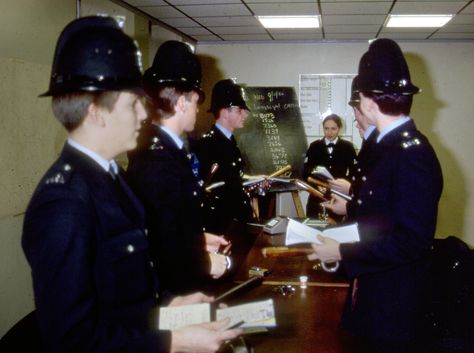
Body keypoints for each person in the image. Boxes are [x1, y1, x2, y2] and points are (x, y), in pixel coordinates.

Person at [21, 16, 241, 353]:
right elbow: (71, 341)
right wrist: (175, 341)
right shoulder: (63, 202)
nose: (144, 114)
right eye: (133, 103)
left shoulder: (111, 177)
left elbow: (123, 298)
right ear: (97, 111)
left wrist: (168, 311)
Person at [308, 38, 443, 353]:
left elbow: (412, 239)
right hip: (373, 288)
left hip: (393, 305)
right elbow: (384, 213)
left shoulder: (412, 152)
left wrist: (343, 252)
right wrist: (351, 206)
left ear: (369, 103)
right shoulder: (387, 146)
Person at [127, 41, 230, 295]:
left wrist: (196, 242)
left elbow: (166, 226)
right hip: (165, 294)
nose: (197, 108)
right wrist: (205, 262)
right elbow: (152, 246)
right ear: (183, 102)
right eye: (196, 100)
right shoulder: (157, 160)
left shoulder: (169, 150)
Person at [192, 79, 255, 233]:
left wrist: (252, 184)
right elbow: (208, 190)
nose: (245, 114)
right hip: (220, 224)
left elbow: (231, 180)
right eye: (240, 110)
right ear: (225, 112)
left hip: (235, 221)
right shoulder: (207, 145)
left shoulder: (230, 141)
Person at [303, 114, 357, 218]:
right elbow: (306, 171)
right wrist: (316, 186)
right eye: (326, 128)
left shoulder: (348, 147)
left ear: (339, 129)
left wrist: (344, 185)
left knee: (336, 230)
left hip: (339, 198)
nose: (330, 132)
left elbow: (354, 173)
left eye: (333, 129)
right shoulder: (314, 146)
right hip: (317, 196)